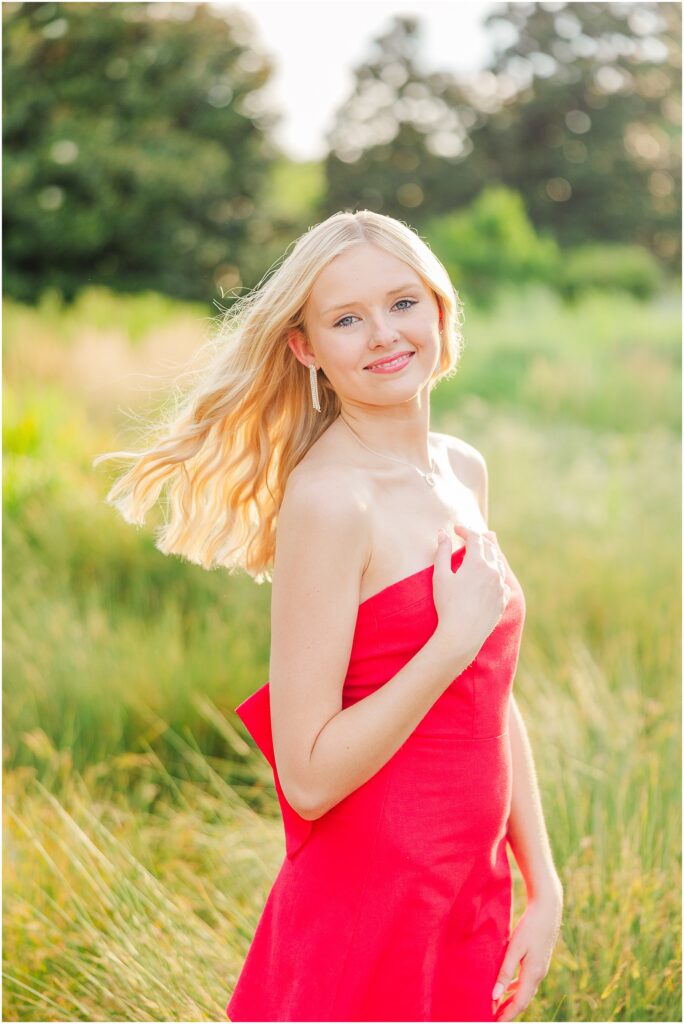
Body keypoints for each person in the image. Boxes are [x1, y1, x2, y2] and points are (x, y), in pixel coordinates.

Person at [95, 210, 563, 1022]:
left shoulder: (461, 470)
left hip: (466, 891)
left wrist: (544, 882)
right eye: (346, 319)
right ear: (305, 347)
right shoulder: (329, 501)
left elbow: (489, 694)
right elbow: (307, 779)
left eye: (402, 303)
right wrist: (449, 641)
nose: (384, 334)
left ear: (441, 310)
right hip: (369, 910)